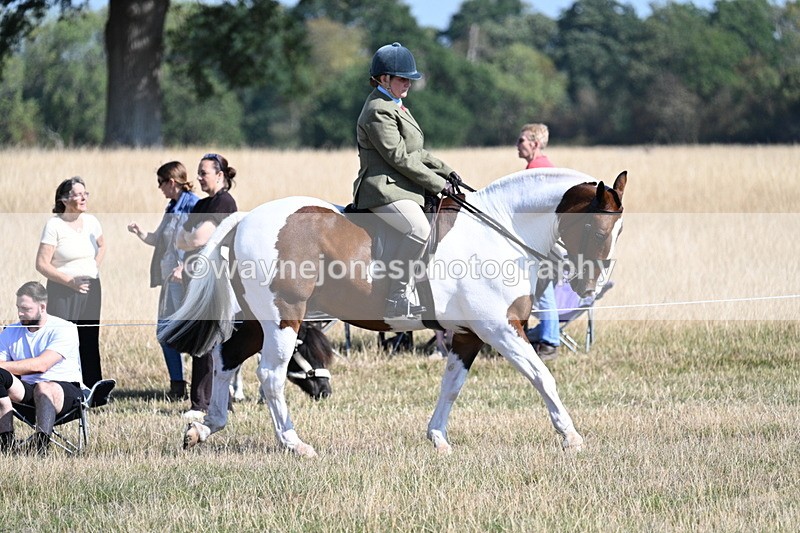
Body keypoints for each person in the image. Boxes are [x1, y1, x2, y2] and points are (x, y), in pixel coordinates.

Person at [353, 42, 460, 319]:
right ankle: (396, 296)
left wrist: (446, 171)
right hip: (382, 189)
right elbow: (398, 157)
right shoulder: (378, 109)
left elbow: (417, 151)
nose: (408, 84)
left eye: (410, 79)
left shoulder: (395, 105)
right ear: (384, 79)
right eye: (403, 79)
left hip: (401, 187)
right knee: (418, 230)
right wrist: (437, 184)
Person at [127, 162, 199, 401]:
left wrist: (184, 266)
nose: (159, 188)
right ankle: (177, 384)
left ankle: (198, 386)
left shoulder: (193, 205)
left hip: (186, 281)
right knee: (165, 332)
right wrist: (140, 233)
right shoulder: (171, 207)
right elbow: (159, 239)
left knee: (186, 331)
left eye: (160, 182)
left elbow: (199, 242)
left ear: (171, 181)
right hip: (170, 282)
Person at [175, 153, 237, 419]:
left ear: (220, 175)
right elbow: (179, 239)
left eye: (204, 172)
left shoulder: (224, 202)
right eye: (198, 172)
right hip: (197, 281)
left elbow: (199, 238)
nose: (199, 177)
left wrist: (190, 238)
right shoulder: (201, 205)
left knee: (208, 341)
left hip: (216, 280)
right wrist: (190, 238)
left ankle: (202, 404)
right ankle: (216, 400)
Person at [35, 176, 106, 386]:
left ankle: (94, 390)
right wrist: (70, 281)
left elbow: (102, 246)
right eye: (78, 194)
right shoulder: (54, 225)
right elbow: (41, 264)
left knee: (89, 338)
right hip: (62, 291)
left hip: (92, 288)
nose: (84, 198)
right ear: (65, 199)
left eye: (86, 193)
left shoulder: (92, 222)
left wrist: (93, 267)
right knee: (63, 339)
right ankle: (63, 387)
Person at [0, 282, 83, 455]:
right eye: (18, 308)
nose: (20, 313)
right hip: (26, 392)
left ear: (42, 306)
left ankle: (41, 447)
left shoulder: (65, 329)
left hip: (64, 392)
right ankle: (6, 444)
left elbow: (41, 365)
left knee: (43, 387)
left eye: (26, 309)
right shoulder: (10, 331)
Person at [518, 123, 560, 361]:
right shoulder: (543, 166)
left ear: (534, 143)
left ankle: (550, 343)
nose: (517, 145)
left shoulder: (536, 169)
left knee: (542, 292)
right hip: (547, 242)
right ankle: (544, 335)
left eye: (521, 140)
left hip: (541, 243)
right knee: (543, 291)